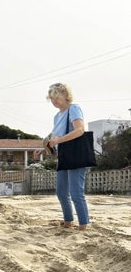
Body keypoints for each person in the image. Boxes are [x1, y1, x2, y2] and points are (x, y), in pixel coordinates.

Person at [43, 83, 90, 231]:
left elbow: (79, 130)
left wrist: (56, 140)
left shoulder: (74, 109)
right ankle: (68, 220)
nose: (54, 101)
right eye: (51, 98)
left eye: (56, 97)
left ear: (65, 95)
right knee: (61, 192)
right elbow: (55, 137)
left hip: (76, 155)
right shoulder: (57, 116)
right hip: (63, 156)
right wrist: (43, 149)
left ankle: (83, 224)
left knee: (76, 192)